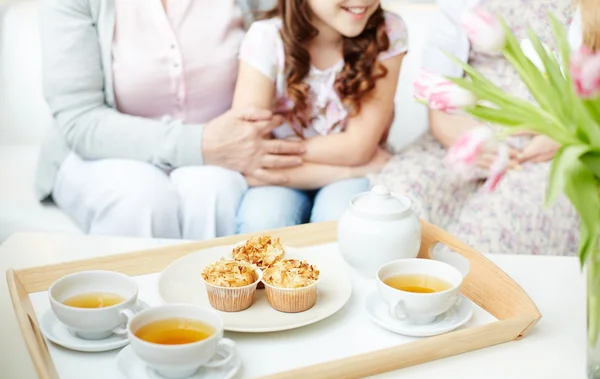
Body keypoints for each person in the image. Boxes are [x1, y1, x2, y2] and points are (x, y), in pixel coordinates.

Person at [35, 0, 305, 240]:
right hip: (103, 151)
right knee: (139, 200)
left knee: (215, 190)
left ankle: (214, 294)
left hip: (226, 152)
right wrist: (200, 143)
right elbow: (80, 120)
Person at [372, 0, 586, 255]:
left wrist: (565, 137)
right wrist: (471, 142)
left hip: (547, 150)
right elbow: (437, 95)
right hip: (464, 130)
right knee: (395, 204)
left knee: (488, 232)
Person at [232, 0, 408, 234]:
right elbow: (249, 153)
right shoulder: (265, 38)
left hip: (284, 170)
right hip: (316, 173)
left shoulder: (387, 30)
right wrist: (350, 169)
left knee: (339, 222)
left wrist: (273, 153)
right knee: (263, 220)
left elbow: (358, 147)